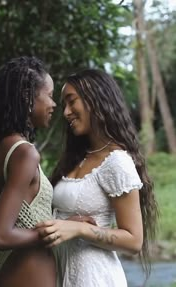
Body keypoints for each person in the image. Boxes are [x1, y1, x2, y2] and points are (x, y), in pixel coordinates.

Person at [36, 69, 158, 287]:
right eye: (64, 104)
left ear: (96, 99)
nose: (66, 112)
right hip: (62, 274)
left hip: (94, 278)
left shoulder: (116, 162)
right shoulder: (78, 157)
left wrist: (80, 229)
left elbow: (134, 240)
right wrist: (68, 224)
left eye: (72, 101)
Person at [0, 56, 57, 287]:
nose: (54, 104)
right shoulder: (25, 153)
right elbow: (0, 236)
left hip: (7, 270)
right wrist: (56, 233)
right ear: (28, 97)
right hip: (26, 274)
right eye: (50, 95)